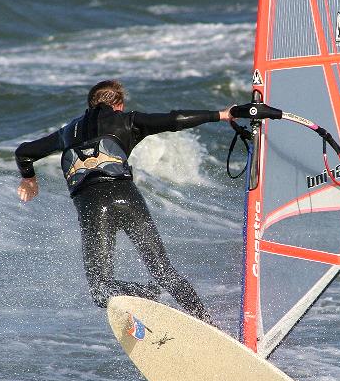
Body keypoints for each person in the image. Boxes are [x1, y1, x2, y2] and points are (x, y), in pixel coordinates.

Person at [14, 80, 232, 323]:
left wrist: (29, 180)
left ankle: (148, 295)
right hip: (127, 199)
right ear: (119, 105)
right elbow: (174, 119)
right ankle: (207, 323)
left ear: (90, 105)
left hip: (94, 209)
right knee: (163, 271)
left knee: (100, 289)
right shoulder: (128, 120)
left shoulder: (66, 133)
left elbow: (24, 152)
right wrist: (221, 115)